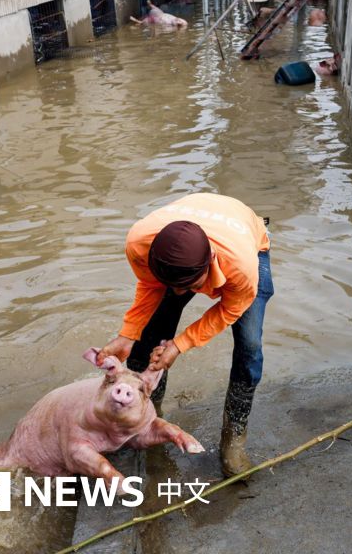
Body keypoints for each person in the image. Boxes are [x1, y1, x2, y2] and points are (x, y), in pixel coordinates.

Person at [97, 193, 273, 477]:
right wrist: (127, 334)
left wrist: (180, 345)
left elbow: (229, 309)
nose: (180, 292)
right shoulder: (139, 244)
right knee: (149, 334)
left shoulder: (241, 266)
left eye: (189, 285)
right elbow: (150, 285)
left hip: (243, 238)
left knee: (250, 344)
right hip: (187, 235)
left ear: (210, 264)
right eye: (173, 284)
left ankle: (234, 435)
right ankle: (144, 418)